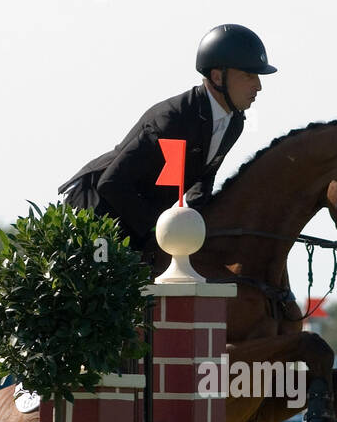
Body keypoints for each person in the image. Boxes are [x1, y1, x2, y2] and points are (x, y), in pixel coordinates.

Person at [58, 24, 275, 265]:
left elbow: (203, 179)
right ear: (217, 77)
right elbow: (112, 183)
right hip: (97, 212)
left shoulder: (234, 123)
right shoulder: (173, 120)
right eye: (249, 76)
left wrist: (203, 224)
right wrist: (159, 228)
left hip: (140, 218)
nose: (258, 86)